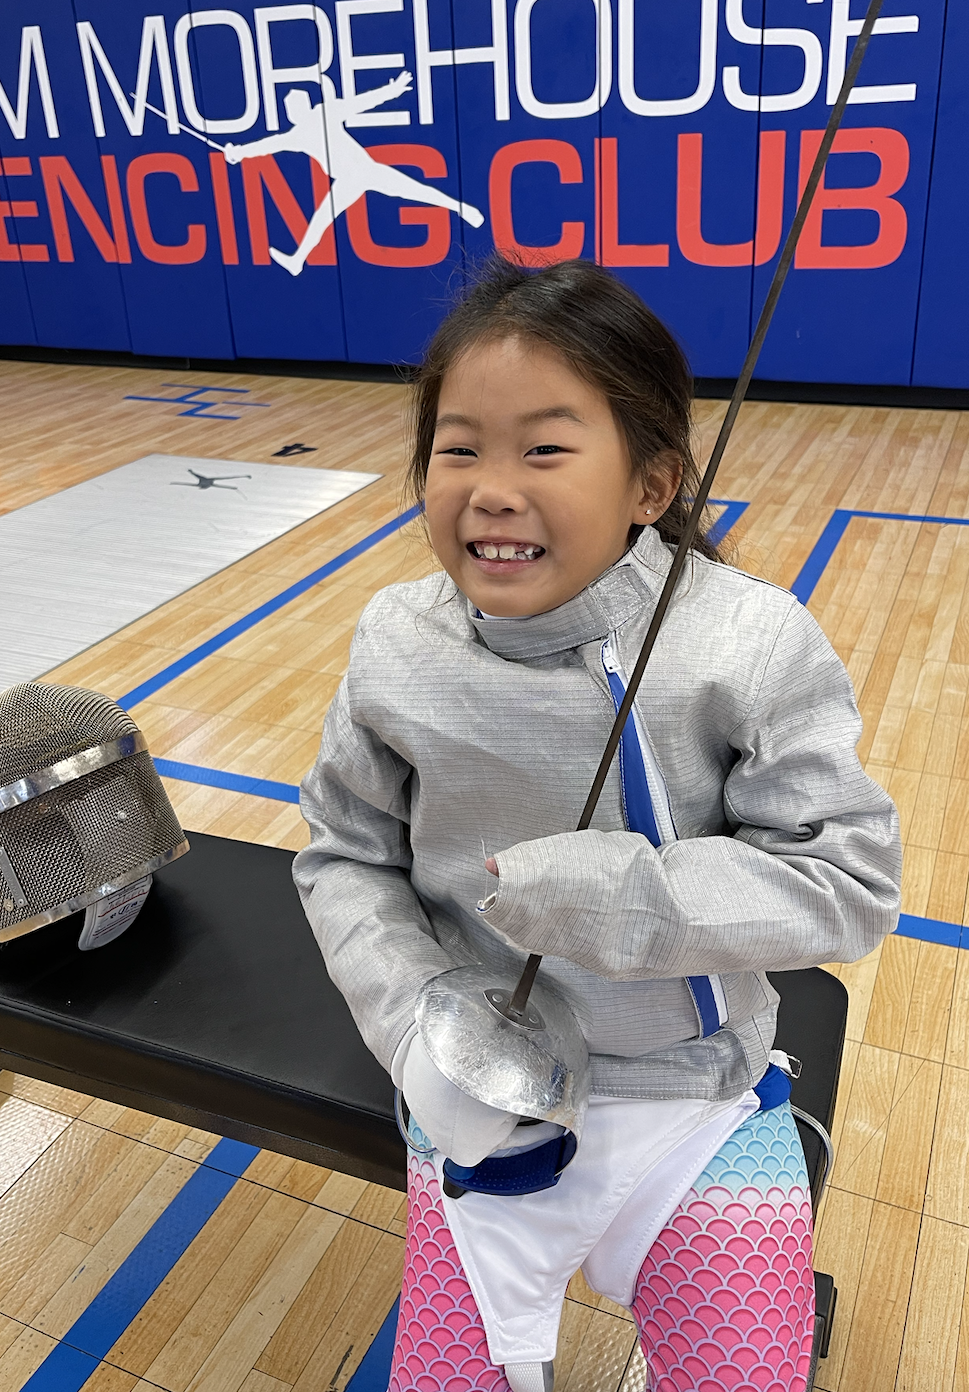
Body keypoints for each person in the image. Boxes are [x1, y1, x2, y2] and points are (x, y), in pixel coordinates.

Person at [293, 257, 901, 1391]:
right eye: (459, 446)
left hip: (695, 1104)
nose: (491, 486)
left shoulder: (748, 642)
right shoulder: (396, 639)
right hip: (479, 1112)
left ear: (652, 482)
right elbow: (345, 854)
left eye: (545, 448)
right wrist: (419, 1030)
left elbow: (851, 875)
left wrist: (642, 901)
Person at [223, 72, 484, 275]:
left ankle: (461, 208)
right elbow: (268, 144)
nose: (292, 113)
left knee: (412, 189)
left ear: (302, 107)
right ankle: (298, 259)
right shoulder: (298, 134)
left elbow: (360, 103)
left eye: (294, 107)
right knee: (324, 216)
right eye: (290, 109)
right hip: (350, 178)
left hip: (362, 170)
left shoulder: (323, 113)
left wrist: (390, 91)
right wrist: (239, 152)